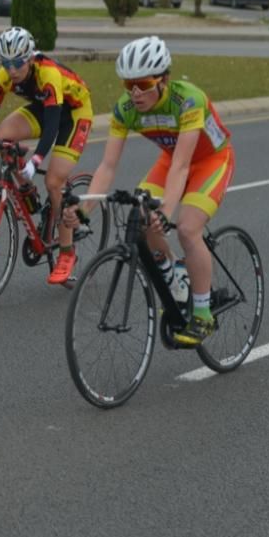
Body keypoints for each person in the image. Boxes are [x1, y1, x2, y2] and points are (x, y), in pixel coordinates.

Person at [63, 36, 235, 346]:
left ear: (164, 80)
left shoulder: (188, 101)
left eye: (142, 83)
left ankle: (202, 315)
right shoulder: (125, 109)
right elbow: (107, 166)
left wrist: (166, 214)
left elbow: (183, 167)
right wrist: (84, 211)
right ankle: (174, 276)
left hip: (210, 161)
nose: (135, 93)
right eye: (128, 85)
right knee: (140, 214)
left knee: (186, 228)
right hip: (171, 161)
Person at [0, 26, 94, 285]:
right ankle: (27, 190)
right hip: (45, 108)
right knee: (4, 136)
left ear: (30, 59)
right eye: (6, 63)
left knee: (54, 181)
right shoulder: (3, 76)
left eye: (18, 63)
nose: (12, 70)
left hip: (74, 114)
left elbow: (53, 127)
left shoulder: (49, 73)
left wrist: (36, 160)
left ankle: (67, 252)